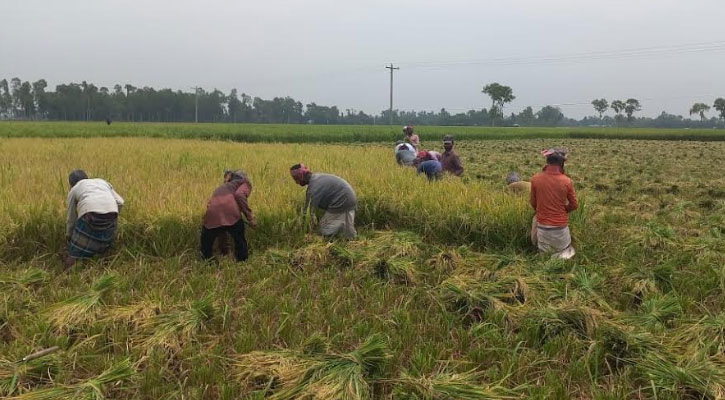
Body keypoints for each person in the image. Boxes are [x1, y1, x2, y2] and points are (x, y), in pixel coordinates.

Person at [64, 170, 124, 268]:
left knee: (75, 252)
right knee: (104, 246)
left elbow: (71, 217)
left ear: (71, 184)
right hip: (112, 214)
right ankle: (103, 267)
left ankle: (68, 272)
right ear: (87, 177)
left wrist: (69, 235)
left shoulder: (74, 189)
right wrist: (111, 215)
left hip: (89, 215)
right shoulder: (102, 182)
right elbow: (120, 202)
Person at [530, 148, 578, 259]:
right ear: (561, 164)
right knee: (565, 254)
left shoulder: (536, 179)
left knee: (545, 254)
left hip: (543, 229)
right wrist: (563, 209)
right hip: (561, 230)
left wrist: (543, 210)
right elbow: (574, 205)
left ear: (548, 161)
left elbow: (533, 203)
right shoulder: (567, 181)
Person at [201, 170, 256, 262]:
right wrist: (249, 217)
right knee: (239, 238)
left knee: (206, 240)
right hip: (231, 212)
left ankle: (207, 260)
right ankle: (242, 261)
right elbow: (240, 195)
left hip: (212, 213)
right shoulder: (245, 183)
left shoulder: (222, 187)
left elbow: (210, 204)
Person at [290, 164, 357, 238]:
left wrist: (302, 227)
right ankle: (348, 237)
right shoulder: (316, 178)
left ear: (301, 176)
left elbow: (309, 211)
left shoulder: (313, 189)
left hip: (342, 201)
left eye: (296, 179)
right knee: (344, 221)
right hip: (348, 198)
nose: (296, 182)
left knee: (324, 229)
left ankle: (333, 240)